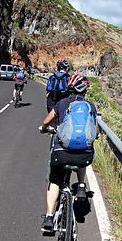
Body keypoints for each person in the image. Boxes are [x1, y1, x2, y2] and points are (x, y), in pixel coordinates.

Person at [39, 74, 99, 232]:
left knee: (55, 181)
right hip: (85, 157)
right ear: (85, 90)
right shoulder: (90, 106)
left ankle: (49, 217)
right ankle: (80, 185)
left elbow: (47, 121)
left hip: (62, 152)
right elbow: (95, 130)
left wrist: (43, 128)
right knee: (82, 153)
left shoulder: (62, 103)